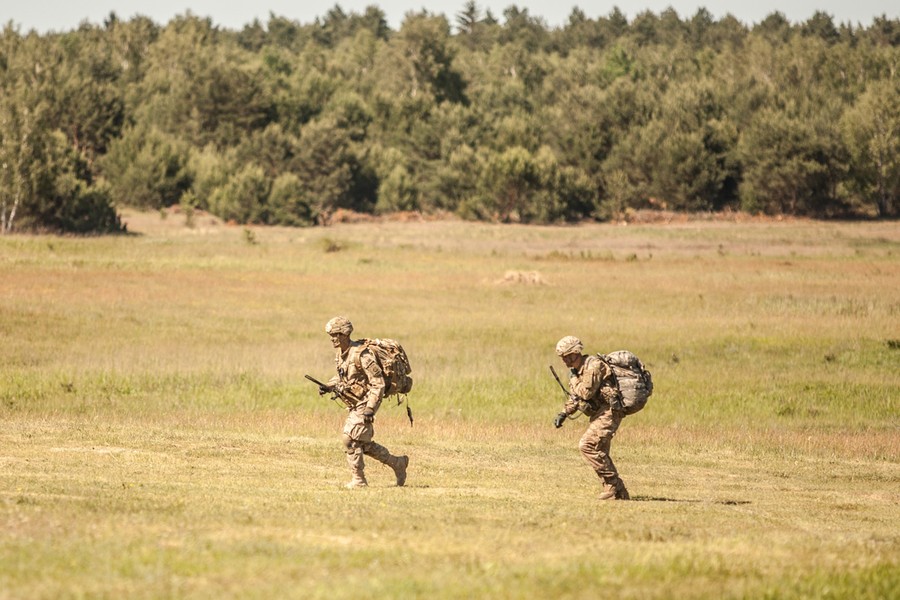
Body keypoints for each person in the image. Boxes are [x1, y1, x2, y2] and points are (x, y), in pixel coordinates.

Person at [321, 316, 409, 489]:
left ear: (345, 334)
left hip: (366, 402)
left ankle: (359, 480)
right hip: (354, 402)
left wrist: (370, 408)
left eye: (336, 335)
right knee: (363, 444)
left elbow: (378, 384)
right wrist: (328, 386)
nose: (332, 339)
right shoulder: (341, 354)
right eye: (331, 335)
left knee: (349, 438)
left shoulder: (363, 355)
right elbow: (342, 377)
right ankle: (397, 463)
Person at [552, 336, 629, 500]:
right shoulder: (577, 371)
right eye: (562, 357)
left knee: (587, 445)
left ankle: (614, 485)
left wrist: (573, 380)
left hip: (609, 411)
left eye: (566, 356)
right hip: (598, 413)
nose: (564, 360)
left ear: (574, 353)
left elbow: (585, 393)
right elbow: (576, 397)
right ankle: (618, 493)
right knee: (599, 450)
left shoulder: (593, 366)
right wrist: (564, 413)